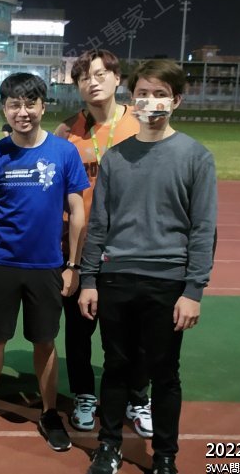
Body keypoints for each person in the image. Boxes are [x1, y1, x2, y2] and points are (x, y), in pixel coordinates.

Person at [78, 59, 217, 474]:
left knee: (164, 372)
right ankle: (109, 446)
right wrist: (89, 279)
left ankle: (165, 455)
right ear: (132, 97)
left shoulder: (195, 156)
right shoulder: (116, 158)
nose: (150, 101)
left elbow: (203, 228)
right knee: (116, 366)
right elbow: (99, 224)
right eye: (143, 93)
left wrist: (193, 290)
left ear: (176, 101)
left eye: (160, 94)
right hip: (116, 277)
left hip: (167, 281)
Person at [0, 73, 89, 452]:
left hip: (48, 266)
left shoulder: (64, 152)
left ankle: (49, 413)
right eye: (15, 105)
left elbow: (78, 212)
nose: (23, 112)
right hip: (0, 264)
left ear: (43, 106)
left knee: (45, 341)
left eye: (30, 104)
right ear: (4, 109)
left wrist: (73, 265)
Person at [53, 49, 152, 438]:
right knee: (79, 331)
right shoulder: (66, 131)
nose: (92, 82)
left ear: (117, 78)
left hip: (129, 249)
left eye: (100, 74)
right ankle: (83, 395)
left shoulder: (140, 124)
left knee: (133, 333)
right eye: (83, 77)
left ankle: (137, 397)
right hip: (79, 249)